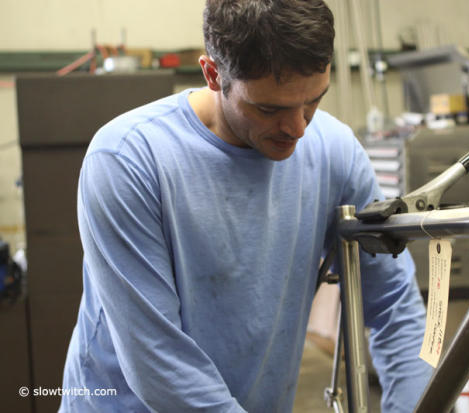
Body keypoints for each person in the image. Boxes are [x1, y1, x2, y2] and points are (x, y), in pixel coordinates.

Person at [60, 1, 432, 412]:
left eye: (314, 100)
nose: (298, 128)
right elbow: (157, 361)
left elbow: (394, 304)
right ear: (213, 74)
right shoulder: (129, 160)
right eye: (269, 109)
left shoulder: (334, 152)